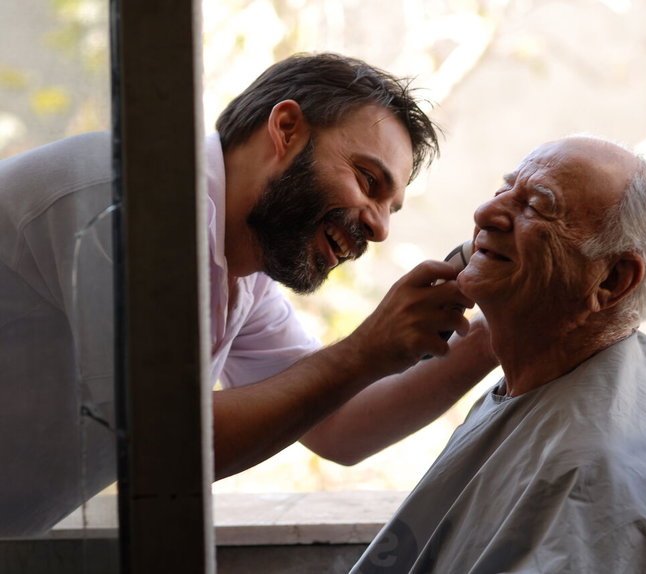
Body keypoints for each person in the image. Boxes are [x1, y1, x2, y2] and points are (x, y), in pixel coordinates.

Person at [0, 52, 497, 536]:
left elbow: (338, 428)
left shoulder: (241, 271)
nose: (380, 228)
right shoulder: (131, 199)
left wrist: (497, 333)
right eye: (368, 181)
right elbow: (168, 446)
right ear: (286, 129)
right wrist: (364, 350)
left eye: (391, 207)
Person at [351, 136, 646, 573]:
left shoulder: (587, 472)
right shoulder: (560, 372)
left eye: (537, 206)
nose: (485, 213)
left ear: (612, 280)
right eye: (503, 191)